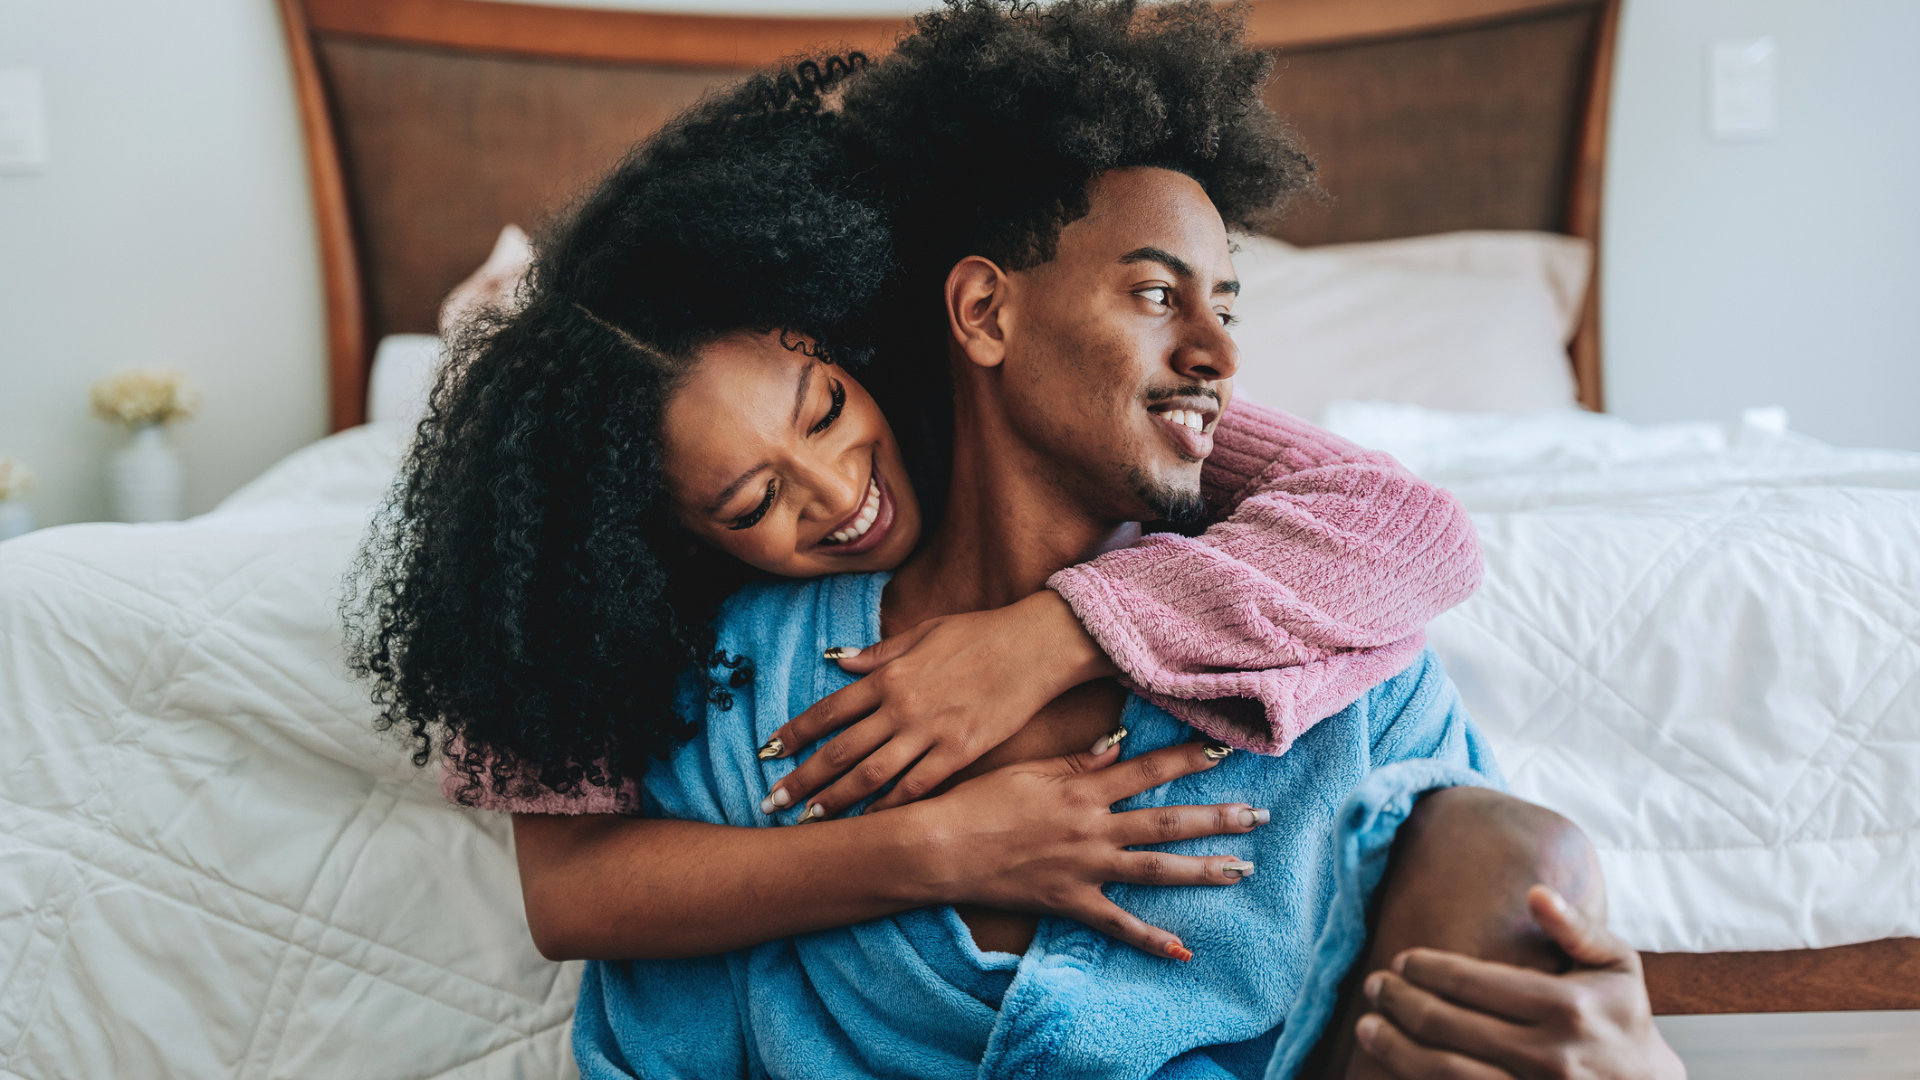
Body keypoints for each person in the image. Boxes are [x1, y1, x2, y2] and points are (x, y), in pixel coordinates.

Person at [350, 24, 1479, 964]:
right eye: (753, 505)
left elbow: (1410, 529)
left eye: (828, 411)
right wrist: (946, 848)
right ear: (662, 536)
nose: (846, 494)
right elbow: (574, 902)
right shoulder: (581, 584)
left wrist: (1045, 639)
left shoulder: (980, 386)